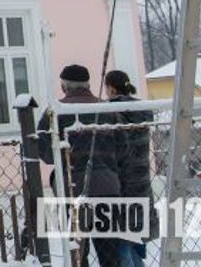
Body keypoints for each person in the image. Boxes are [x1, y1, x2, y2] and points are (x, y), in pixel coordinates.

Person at [38, 64, 122, 267]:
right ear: (88, 84)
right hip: (108, 189)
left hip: (73, 189)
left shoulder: (55, 112)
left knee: (78, 254)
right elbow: (123, 148)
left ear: (64, 86)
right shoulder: (107, 109)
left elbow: (46, 154)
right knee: (110, 254)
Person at [106, 69, 154, 267]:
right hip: (142, 181)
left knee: (122, 242)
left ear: (111, 88)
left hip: (121, 183)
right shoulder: (142, 110)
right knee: (132, 239)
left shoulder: (111, 113)